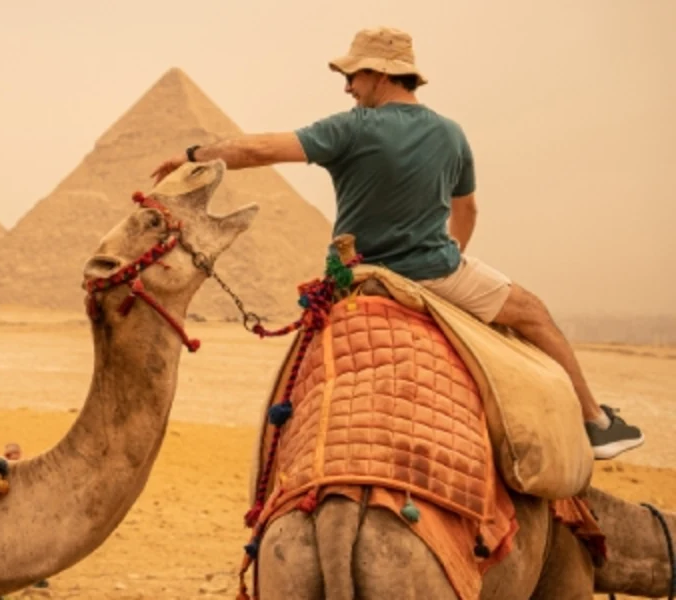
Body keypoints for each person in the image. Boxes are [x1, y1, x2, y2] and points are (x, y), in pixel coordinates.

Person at [149, 27, 643, 460]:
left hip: (353, 278)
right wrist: (446, 258)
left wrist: (193, 156)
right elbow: (467, 211)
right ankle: (595, 422)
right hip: (436, 273)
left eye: (353, 76)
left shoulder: (348, 128)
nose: (347, 87)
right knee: (532, 313)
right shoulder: (451, 135)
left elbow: (258, 148)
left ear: (380, 74)